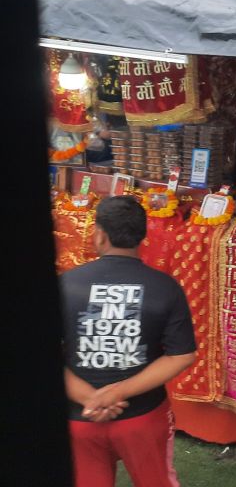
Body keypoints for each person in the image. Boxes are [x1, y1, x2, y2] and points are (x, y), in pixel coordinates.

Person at [60, 195, 196, 487]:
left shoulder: (65, 284)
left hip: (79, 417)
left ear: (99, 235)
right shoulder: (165, 287)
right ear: (142, 237)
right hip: (143, 416)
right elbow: (181, 355)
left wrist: (90, 399)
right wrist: (116, 393)